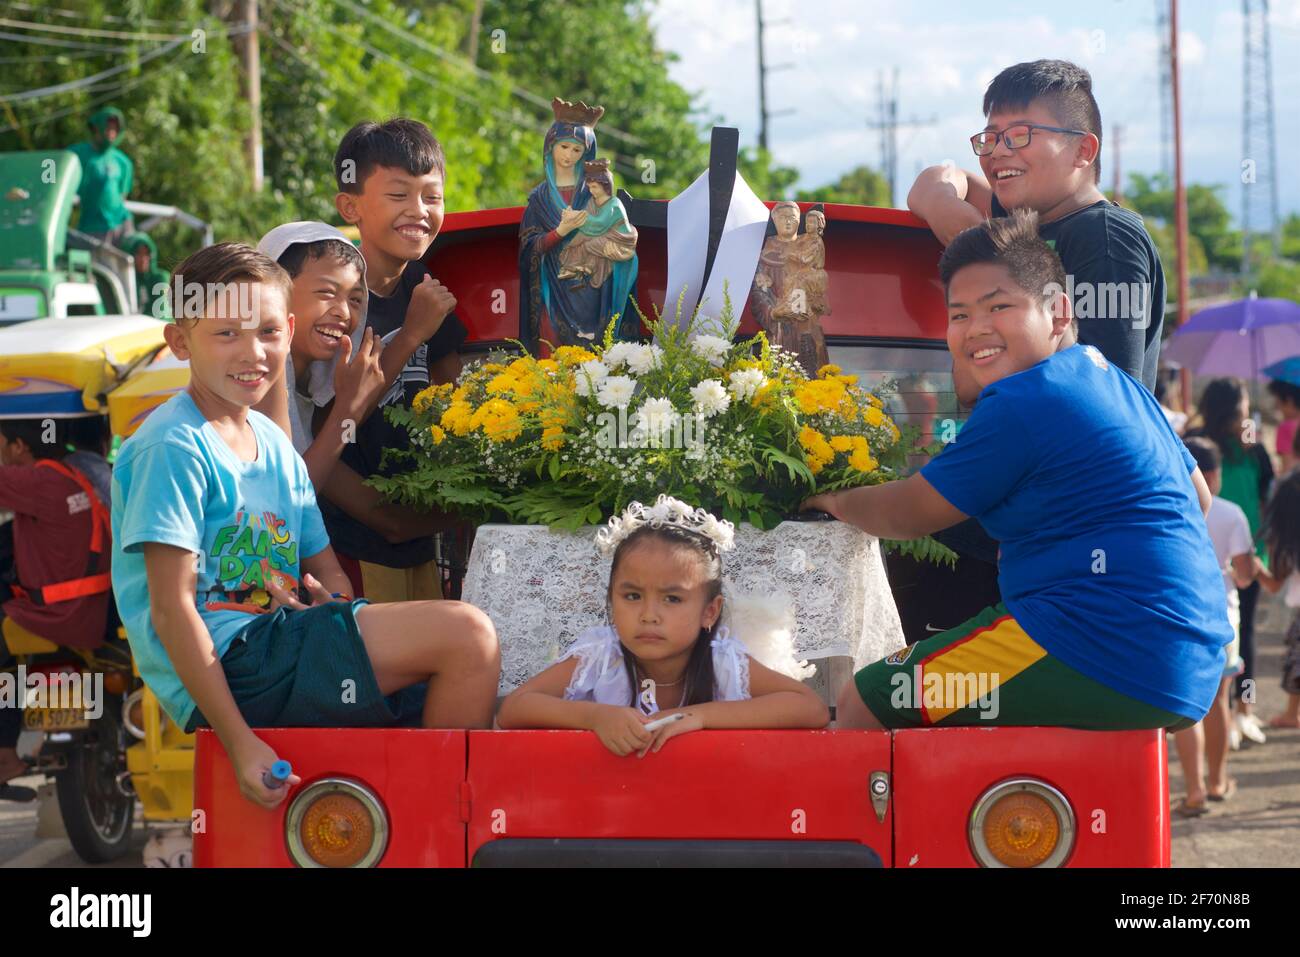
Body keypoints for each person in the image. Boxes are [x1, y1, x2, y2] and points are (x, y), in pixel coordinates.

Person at [109, 243, 500, 810]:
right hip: (232, 662)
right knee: (467, 636)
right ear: (179, 341)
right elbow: (173, 611)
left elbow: (328, 573)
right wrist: (241, 745)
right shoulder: (173, 447)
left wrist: (328, 606)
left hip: (283, 644)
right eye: (226, 334)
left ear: (288, 330)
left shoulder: (275, 445)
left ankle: (413, 818)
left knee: (471, 689)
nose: (253, 352)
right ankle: (436, 828)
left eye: (268, 331)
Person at [803, 211, 1228, 731]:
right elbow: (1199, 497)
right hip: (1191, 660)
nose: (976, 327)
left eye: (998, 306)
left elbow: (908, 513)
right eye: (958, 315)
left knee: (868, 697)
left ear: (1057, 312)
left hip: (1096, 645)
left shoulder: (1026, 398)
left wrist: (832, 500)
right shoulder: (1109, 377)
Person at [497, 496, 828, 755]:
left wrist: (699, 717)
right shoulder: (602, 656)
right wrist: (595, 718)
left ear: (709, 612)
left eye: (672, 599)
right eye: (632, 596)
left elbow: (810, 709)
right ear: (611, 599)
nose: (649, 614)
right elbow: (514, 709)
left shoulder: (722, 661)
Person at [907, 59, 1164, 390]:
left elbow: (1109, 386)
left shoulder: (1105, 237)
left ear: (1082, 150)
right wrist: (944, 207)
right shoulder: (1022, 218)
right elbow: (936, 179)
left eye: (1019, 135)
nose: (998, 151)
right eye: (990, 137)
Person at [327, 119, 466, 603]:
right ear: (350, 206)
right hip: (353, 545)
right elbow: (327, 425)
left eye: (432, 196)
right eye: (399, 195)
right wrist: (410, 334)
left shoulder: (424, 285)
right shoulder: (337, 299)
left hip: (419, 539)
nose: (419, 211)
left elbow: (455, 400)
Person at [0, 415, 113, 795]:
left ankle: (5, 754)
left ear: (18, 447)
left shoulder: (38, 480)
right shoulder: (70, 478)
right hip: (86, 611)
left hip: (53, 618)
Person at [252, 222, 386, 487]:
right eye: (326, 293)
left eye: (355, 299)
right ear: (276, 294)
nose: (344, 313)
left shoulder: (309, 388)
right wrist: (349, 409)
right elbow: (290, 496)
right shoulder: (256, 378)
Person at [1186, 378, 1274, 746]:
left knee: (1240, 637)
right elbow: (1268, 492)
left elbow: (1268, 488)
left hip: (1239, 547)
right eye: (1242, 404)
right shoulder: (1236, 442)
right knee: (1243, 636)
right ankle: (1239, 709)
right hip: (1232, 545)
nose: (1245, 411)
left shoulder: (1238, 442)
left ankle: (1241, 709)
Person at [1173, 438, 1251, 816]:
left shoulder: (1165, 505)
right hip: (1223, 616)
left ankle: (1194, 791)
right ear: (1215, 475)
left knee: (1188, 705)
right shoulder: (1231, 513)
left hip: (1181, 615)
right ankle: (1219, 781)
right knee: (1220, 700)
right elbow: (1248, 574)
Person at [1251, 470, 1300, 730]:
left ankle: (1292, 714)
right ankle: (1292, 714)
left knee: (1296, 659)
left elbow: (1274, 584)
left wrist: (1256, 568)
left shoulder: (1290, 542)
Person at [67, 106, 135, 247]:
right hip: (92, 227)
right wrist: (47, 183)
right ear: (96, 128)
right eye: (108, 128)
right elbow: (50, 162)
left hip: (121, 225)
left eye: (115, 129)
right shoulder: (79, 153)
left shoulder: (123, 162)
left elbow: (122, 196)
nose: (111, 133)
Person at [121, 232, 170, 319]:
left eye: (147, 254)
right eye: (138, 254)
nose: (143, 259)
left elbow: (162, 314)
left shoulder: (160, 278)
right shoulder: (121, 281)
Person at [1267, 379, 1300, 474]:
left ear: (1289, 401)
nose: (1278, 408)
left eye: (1279, 403)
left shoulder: (1286, 428)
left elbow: (1288, 469)